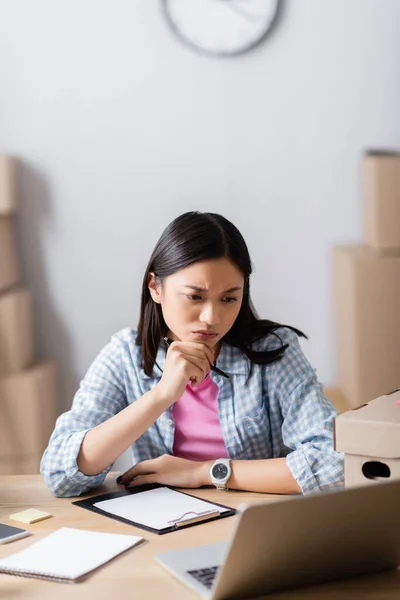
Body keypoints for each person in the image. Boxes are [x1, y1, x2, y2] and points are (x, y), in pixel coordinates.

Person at [41, 211, 344, 498]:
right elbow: (60, 474)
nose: (211, 317)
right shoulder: (125, 355)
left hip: (253, 523)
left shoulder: (274, 351)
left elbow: (337, 465)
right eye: (195, 296)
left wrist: (204, 472)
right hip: (164, 523)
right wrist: (161, 395)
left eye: (229, 298)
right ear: (155, 287)